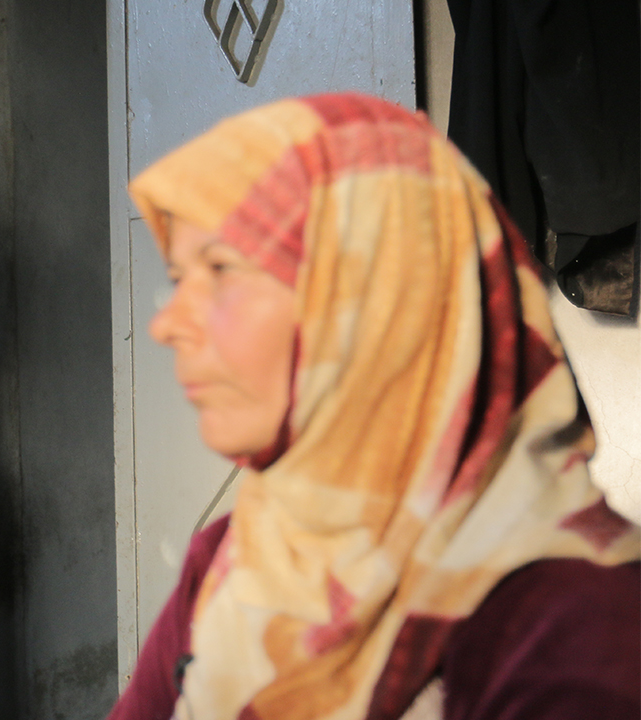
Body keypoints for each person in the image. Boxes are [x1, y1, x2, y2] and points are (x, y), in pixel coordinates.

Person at [109, 93, 640, 720]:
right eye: (179, 278)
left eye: (221, 269)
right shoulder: (232, 558)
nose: (167, 323)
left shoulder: (576, 626)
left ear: (379, 300)